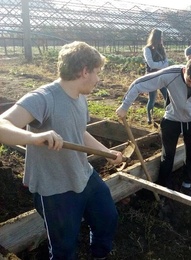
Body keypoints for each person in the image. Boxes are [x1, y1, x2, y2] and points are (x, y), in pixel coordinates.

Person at [0, 41, 124, 260]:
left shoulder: (81, 97)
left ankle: (99, 255)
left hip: (83, 174)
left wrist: (107, 152)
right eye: (96, 73)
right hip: (56, 188)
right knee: (64, 247)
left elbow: (80, 132)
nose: (98, 79)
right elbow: (2, 125)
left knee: (107, 217)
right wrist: (34, 137)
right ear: (84, 71)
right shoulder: (43, 98)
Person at [116, 58, 191, 198]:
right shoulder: (170, 74)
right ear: (184, 70)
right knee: (168, 154)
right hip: (171, 119)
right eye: (189, 81)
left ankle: (187, 184)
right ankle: (164, 187)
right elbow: (139, 84)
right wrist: (124, 106)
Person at [143, 28, 169, 125]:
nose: (161, 39)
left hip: (161, 76)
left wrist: (160, 64)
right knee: (152, 98)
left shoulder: (161, 48)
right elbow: (151, 64)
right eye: (160, 37)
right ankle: (149, 118)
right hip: (152, 77)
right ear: (156, 37)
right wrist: (161, 64)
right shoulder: (147, 49)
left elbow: (166, 63)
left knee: (167, 96)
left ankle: (167, 115)